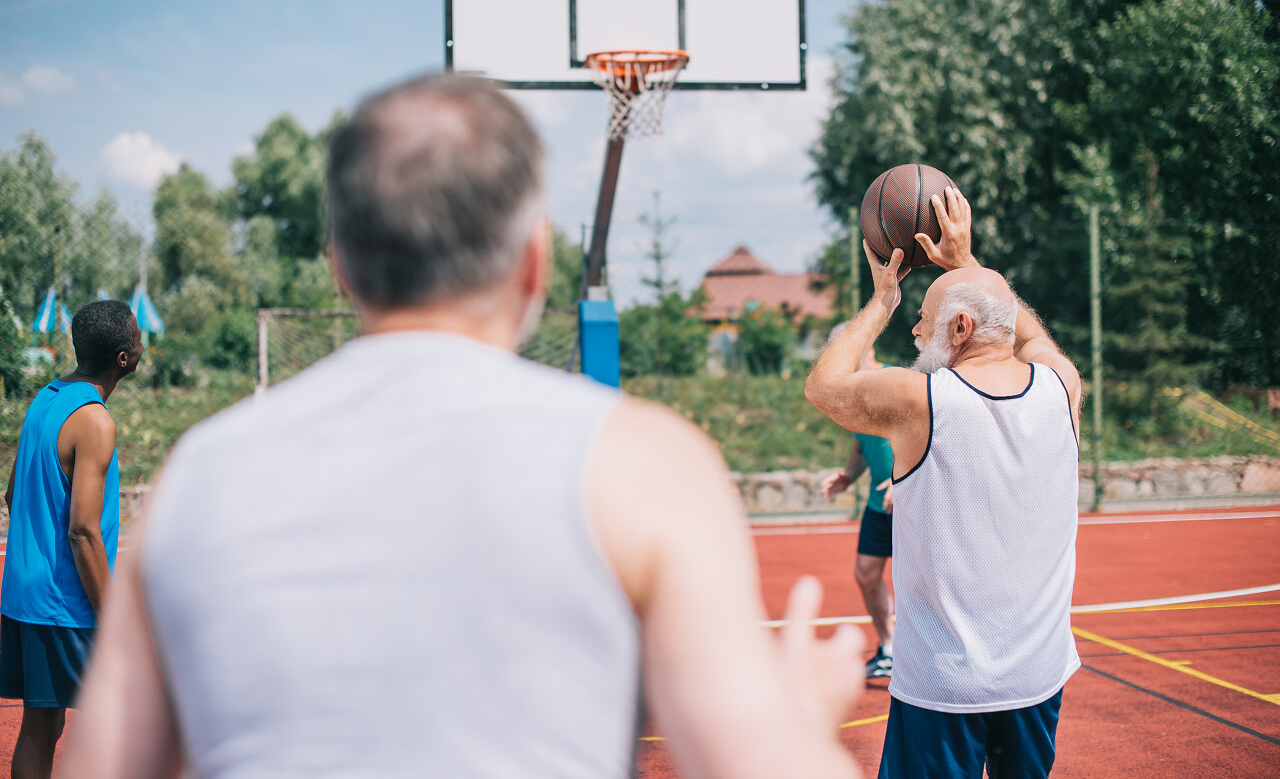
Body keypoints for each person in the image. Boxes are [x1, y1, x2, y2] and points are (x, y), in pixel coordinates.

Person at [63, 74, 865, 779]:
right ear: (535, 261)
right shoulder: (646, 464)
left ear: (341, 263)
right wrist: (794, 726)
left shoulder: (202, 474)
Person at [805, 186, 1081, 779]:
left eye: (923, 321)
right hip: (1037, 678)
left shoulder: (920, 399)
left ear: (958, 327)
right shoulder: (1063, 387)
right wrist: (967, 263)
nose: (914, 331)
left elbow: (823, 387)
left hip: (945, 686)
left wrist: (881, 304)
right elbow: (1032, 338)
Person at [1, 300, 142, 779]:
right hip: (62, 602)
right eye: (138, 336)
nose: (143, 344)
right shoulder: (95, 421)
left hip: (25, 593)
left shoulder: (46, 398)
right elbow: (83, 532)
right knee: (125, 716)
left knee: (42, 726)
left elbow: (12, 492)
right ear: (123, 357)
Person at [820, 344, 896, 680]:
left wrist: (904, 477)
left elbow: (925, 434)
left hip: (910, 500)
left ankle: (929, 658)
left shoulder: (896, 381)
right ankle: (889, 650)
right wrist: (849, 476)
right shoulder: (852, 393)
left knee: (923, 583)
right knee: (865, 573)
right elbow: (860, 446)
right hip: (879, 503)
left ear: (867, 347)